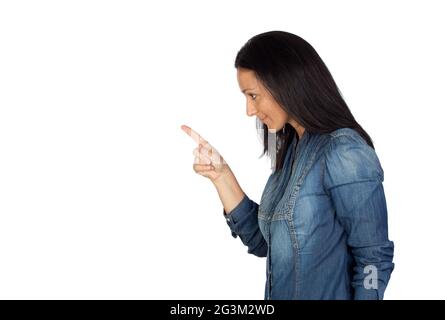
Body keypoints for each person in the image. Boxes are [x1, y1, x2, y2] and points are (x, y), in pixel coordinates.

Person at [181, 31, 394, 300]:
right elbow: (263, 242)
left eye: (253, 95)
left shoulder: (344, 152)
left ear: (285, 84)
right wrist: (221, 176)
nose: (249, 110)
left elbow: (373, 259)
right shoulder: (291, 150)